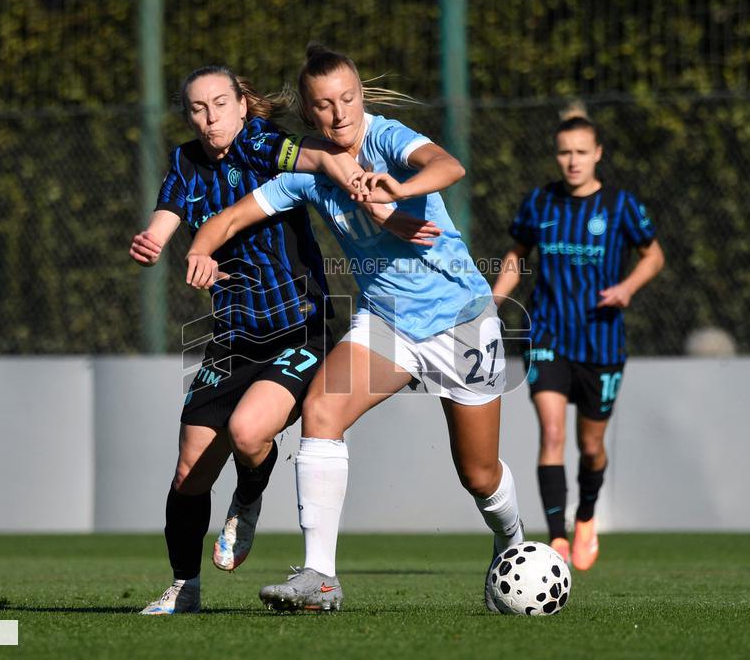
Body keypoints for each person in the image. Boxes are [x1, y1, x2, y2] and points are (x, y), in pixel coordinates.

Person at [184, 44, 525, 612]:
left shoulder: (386, 138)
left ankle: (512, 542)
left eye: (348, 98)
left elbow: (449, 166)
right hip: (388, 324)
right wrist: (199, 247)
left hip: (463, 323)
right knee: (321, 410)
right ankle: (320, 577)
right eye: (325, 105)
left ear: (361, 95)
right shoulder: (310, 172)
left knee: (479, 473)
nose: (341, 113)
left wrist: (398, 191)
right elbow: (236, 215)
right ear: (309, 113)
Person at [128, 65, 422, 615]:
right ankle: (184, 588)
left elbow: (319, 158)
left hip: (300, 326)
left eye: (221, 103)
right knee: (190, 471)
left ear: (242, 105)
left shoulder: (266, 147)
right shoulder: (184, 162)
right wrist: (155, 241)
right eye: (197, 108)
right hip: (233, 334)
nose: (210, 117)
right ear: (187, 115)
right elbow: (167, 215)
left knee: (247, 431)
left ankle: (249, 493)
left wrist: (375, 198)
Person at [491, 110, 665, 570]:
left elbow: (653, 255)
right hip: (548, 334)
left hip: (602, 343)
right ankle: (558, 538)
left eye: (581, 153)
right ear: (557, 155)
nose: (572, 161)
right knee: (551, 433)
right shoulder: (540, 203)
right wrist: (493, 302)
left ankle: (586, 515)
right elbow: (516, 253)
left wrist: (627, 287)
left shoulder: (621, 206)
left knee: (590, 447)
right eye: (565, 152)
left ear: (598, 155)